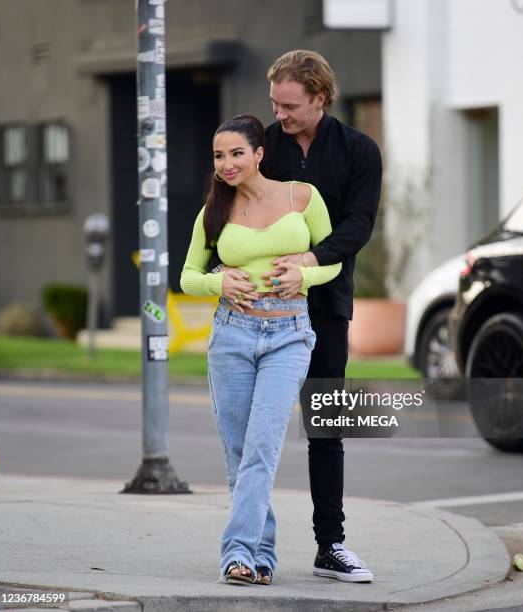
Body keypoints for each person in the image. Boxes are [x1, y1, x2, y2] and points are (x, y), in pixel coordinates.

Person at [180, 114, 341, 585]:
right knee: (238, 452)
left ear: (258, 154)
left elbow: (333, 260)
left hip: (289, 333)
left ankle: (237, 552)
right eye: (218, 155)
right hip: (232, 335)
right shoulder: (214, 211)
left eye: (235, 153)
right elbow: (188, 276)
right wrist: (216, 281)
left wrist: (304, 275)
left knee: (262, 446)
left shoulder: (302, 197)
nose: (226, 164)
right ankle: (259, 556)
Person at [261, 50, 382, 582]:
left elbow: (359, 226)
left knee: (326, 426)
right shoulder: (262, 145)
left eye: (290, 106)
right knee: (253, 433)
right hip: (262, 308)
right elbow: (231, 210)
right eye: (275, 104)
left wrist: (311, 260)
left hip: (327, 306)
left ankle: (329, 546)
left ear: (320, 97)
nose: (281, 115)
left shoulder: (359, 151)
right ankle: (250, 547)